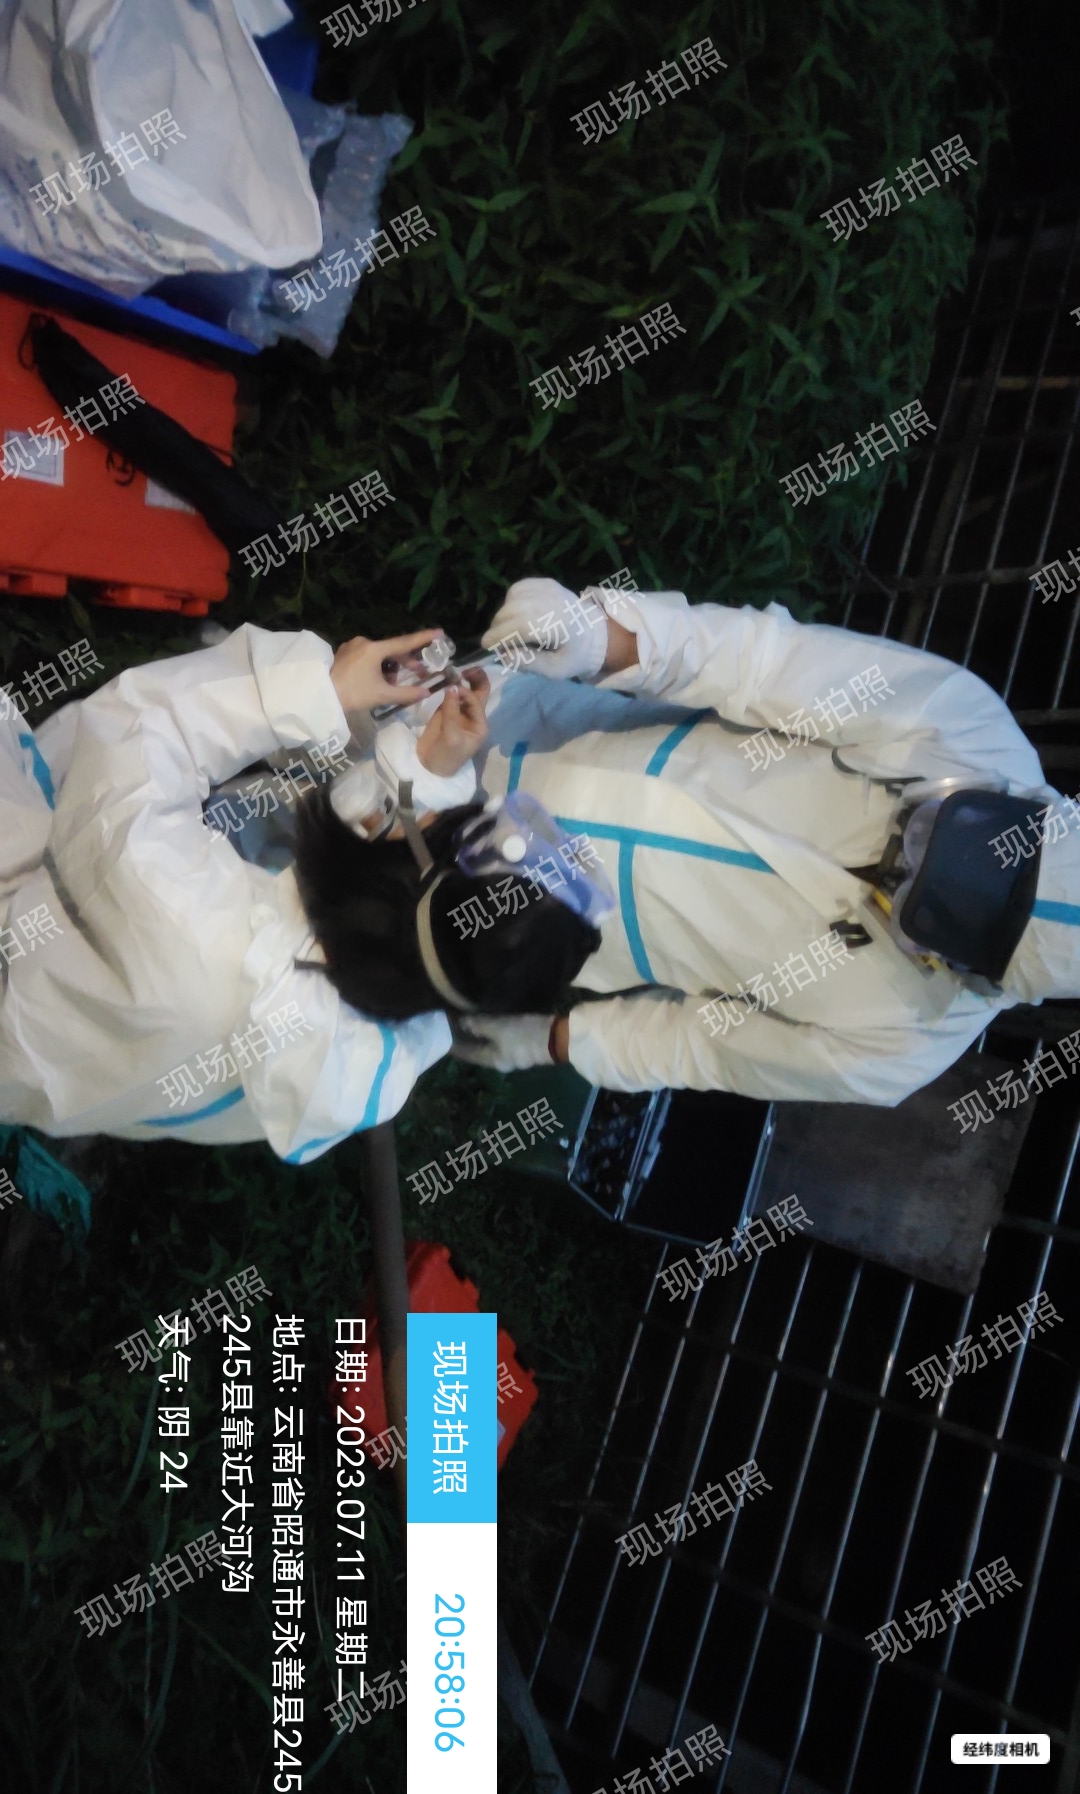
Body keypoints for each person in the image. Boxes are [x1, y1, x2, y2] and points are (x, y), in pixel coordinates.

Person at [451, 578, 1080, 1106]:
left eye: (923, 906)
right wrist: (600, 639)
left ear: (977, 970)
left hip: (516, 921)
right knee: (387, 724)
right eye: (936, 835)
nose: (900, 867)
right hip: (519, 730)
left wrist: (554, 1040)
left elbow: (702, 1044)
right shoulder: (965, 732)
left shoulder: (906, 1043)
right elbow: (762, 663)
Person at [0, 623, 600, 1164]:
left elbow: (130, 744)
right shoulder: (368, 1036)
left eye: (444, 825)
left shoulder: (186, 915)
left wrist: (317, 692)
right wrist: (425, 775)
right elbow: (366, 904)